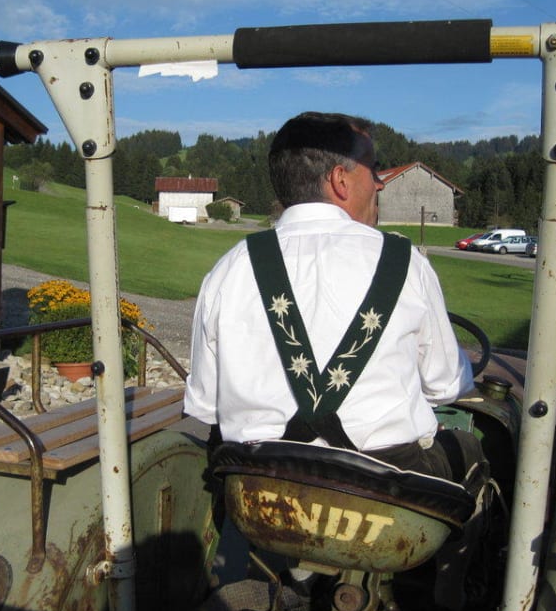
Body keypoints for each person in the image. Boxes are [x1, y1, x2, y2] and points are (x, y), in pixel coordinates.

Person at [184, 111, 483, 485]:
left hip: (260, 484)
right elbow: (446, 385)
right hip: (384, 487)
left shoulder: (230, 268)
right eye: (373, 171)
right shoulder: (404, 262)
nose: (380, 185)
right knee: (469, 449)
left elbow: (204, 404)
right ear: (340, 180)